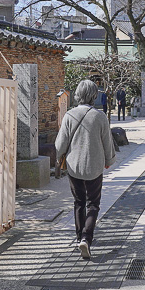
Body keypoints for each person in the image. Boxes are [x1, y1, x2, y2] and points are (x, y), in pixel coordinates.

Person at [55, 79, 116, 259]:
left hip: (74, 166)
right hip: (94, 166)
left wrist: (58, 158)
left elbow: (60, 144)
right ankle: (86, 239)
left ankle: (78, 237)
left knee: (79, 202)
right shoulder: (100, 116)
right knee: (93, 203)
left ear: (77, 94)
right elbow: (107, 142)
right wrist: (109, 160)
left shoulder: (69, 115)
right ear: (94, 95)